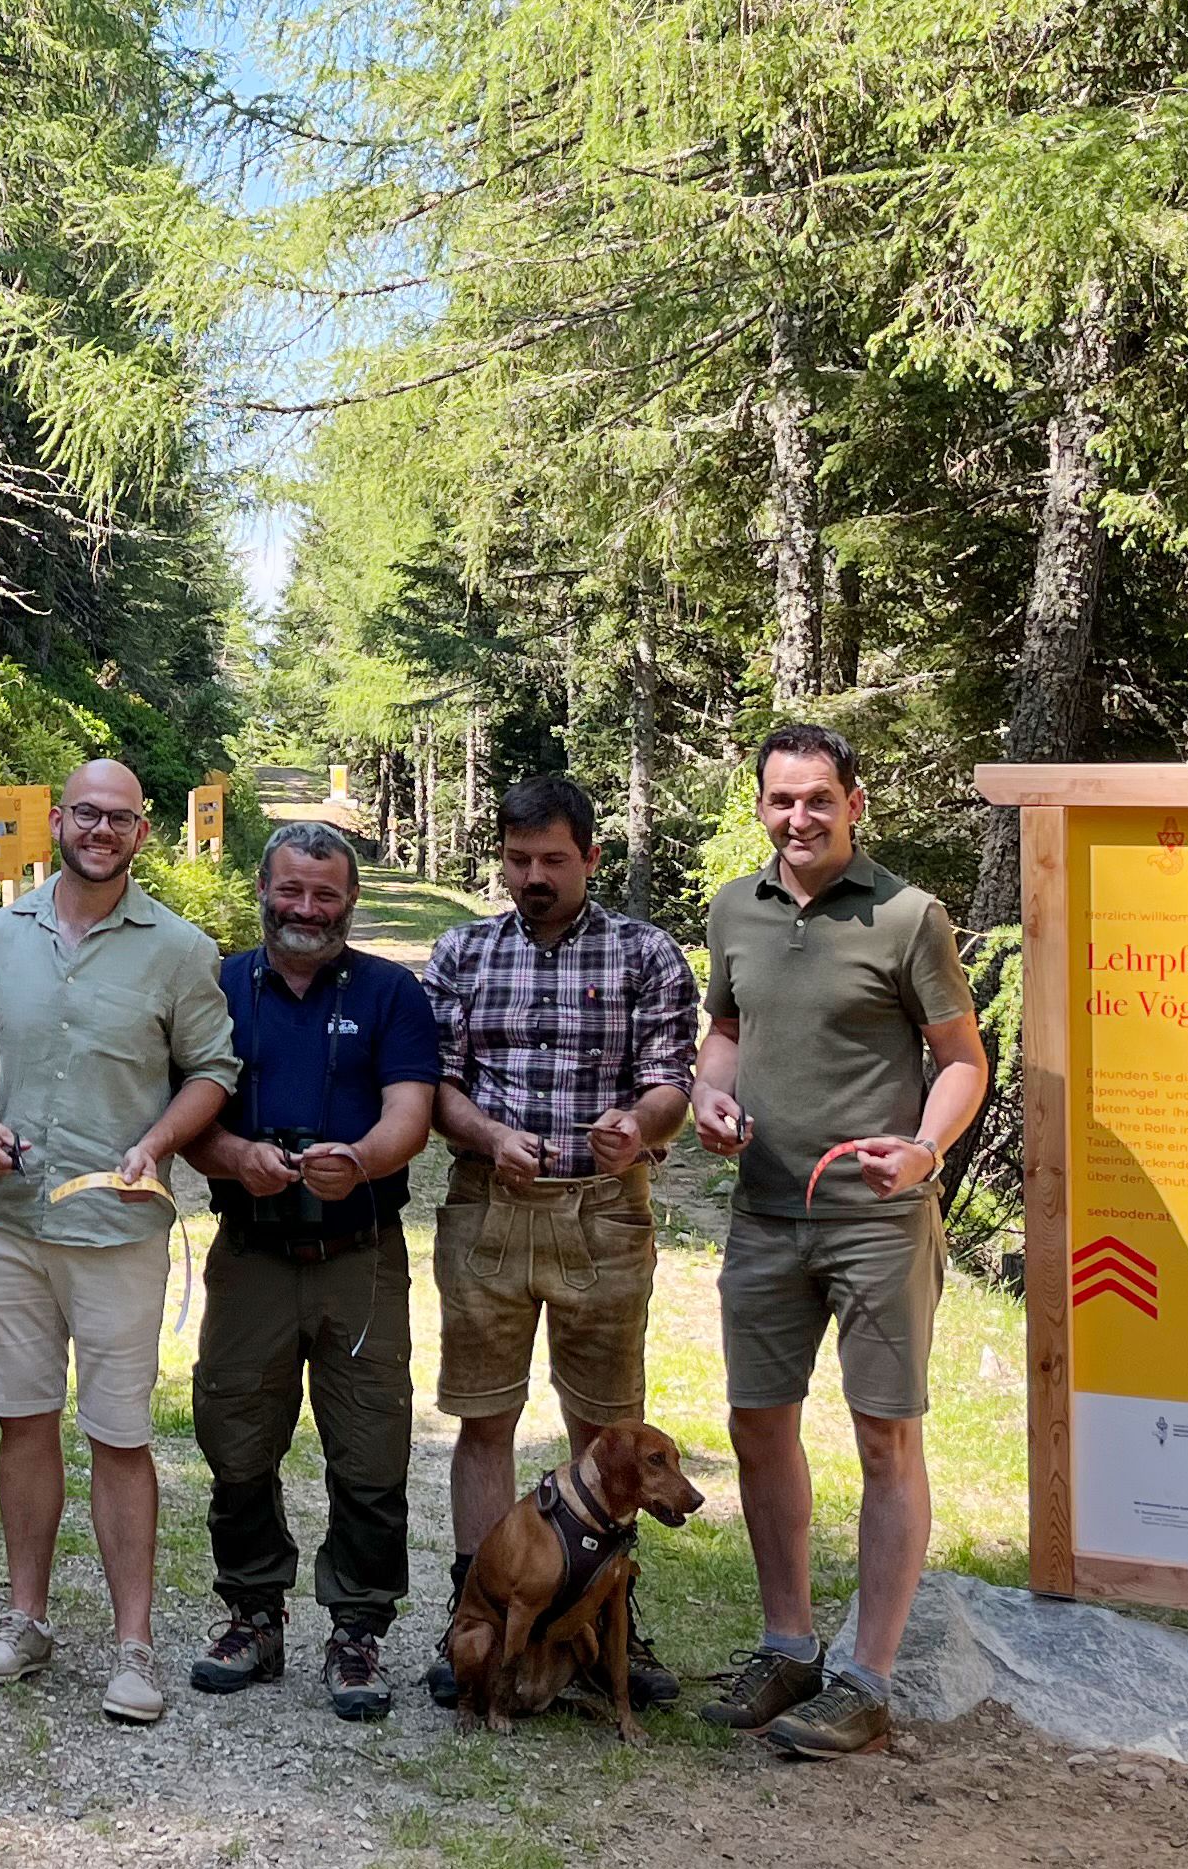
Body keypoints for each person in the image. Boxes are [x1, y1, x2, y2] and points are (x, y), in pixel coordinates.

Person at [688, 723, 990, 1760]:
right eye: (781, 801)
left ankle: (866, 1678)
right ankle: (788, 1645)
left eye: (819, 798)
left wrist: (921, 1149)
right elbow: (725, 1031)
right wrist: (708, 1099)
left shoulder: (908, 916)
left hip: (876, 1222)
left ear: (855, 800)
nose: (799, 818)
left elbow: (961, 1059)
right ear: (760, 806)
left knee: (883, 1438)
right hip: (765, 1213)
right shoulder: (736, 907)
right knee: (759, 1425)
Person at [0, 758, 240, 1725]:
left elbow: (211, 1071)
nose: (100, 830)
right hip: (11, 1223)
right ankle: (26, 1621)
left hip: (118, 1228)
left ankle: (134, 1647)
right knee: (22, 1419)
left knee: (119, 1433)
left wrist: (157, 1143)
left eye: (119, 818)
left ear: (142, 833)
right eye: (85, 813)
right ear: (59, 820)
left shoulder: (181, 950)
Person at [420, 772, 698, 1709]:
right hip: (488, 1207)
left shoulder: (646, 953)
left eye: (551, 859)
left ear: (590, 856)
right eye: (516, 859)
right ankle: (476, 1615)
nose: (531, 876)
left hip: (603, 1212)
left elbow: (672, 1083)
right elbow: (437, 1086)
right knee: (484, 1417)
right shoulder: (462, 951)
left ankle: (606, 1616)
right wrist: (490, 1136)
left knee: (608, 1430)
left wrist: (638, 1124)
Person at [182, 822, 441, 1721]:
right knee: (235, 1433)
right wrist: (230, 1155)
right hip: (250, 1249)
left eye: (325, 894)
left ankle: (358, 1629)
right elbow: (181, 1108)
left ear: (350, 901)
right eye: (291, 890)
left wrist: (362, 1160)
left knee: (371, 1446)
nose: (306, 910)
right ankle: (253, 1611)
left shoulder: (391, 991)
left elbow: (412, 1109)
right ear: (262, 887)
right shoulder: (215, 984)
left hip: (359, 1255)